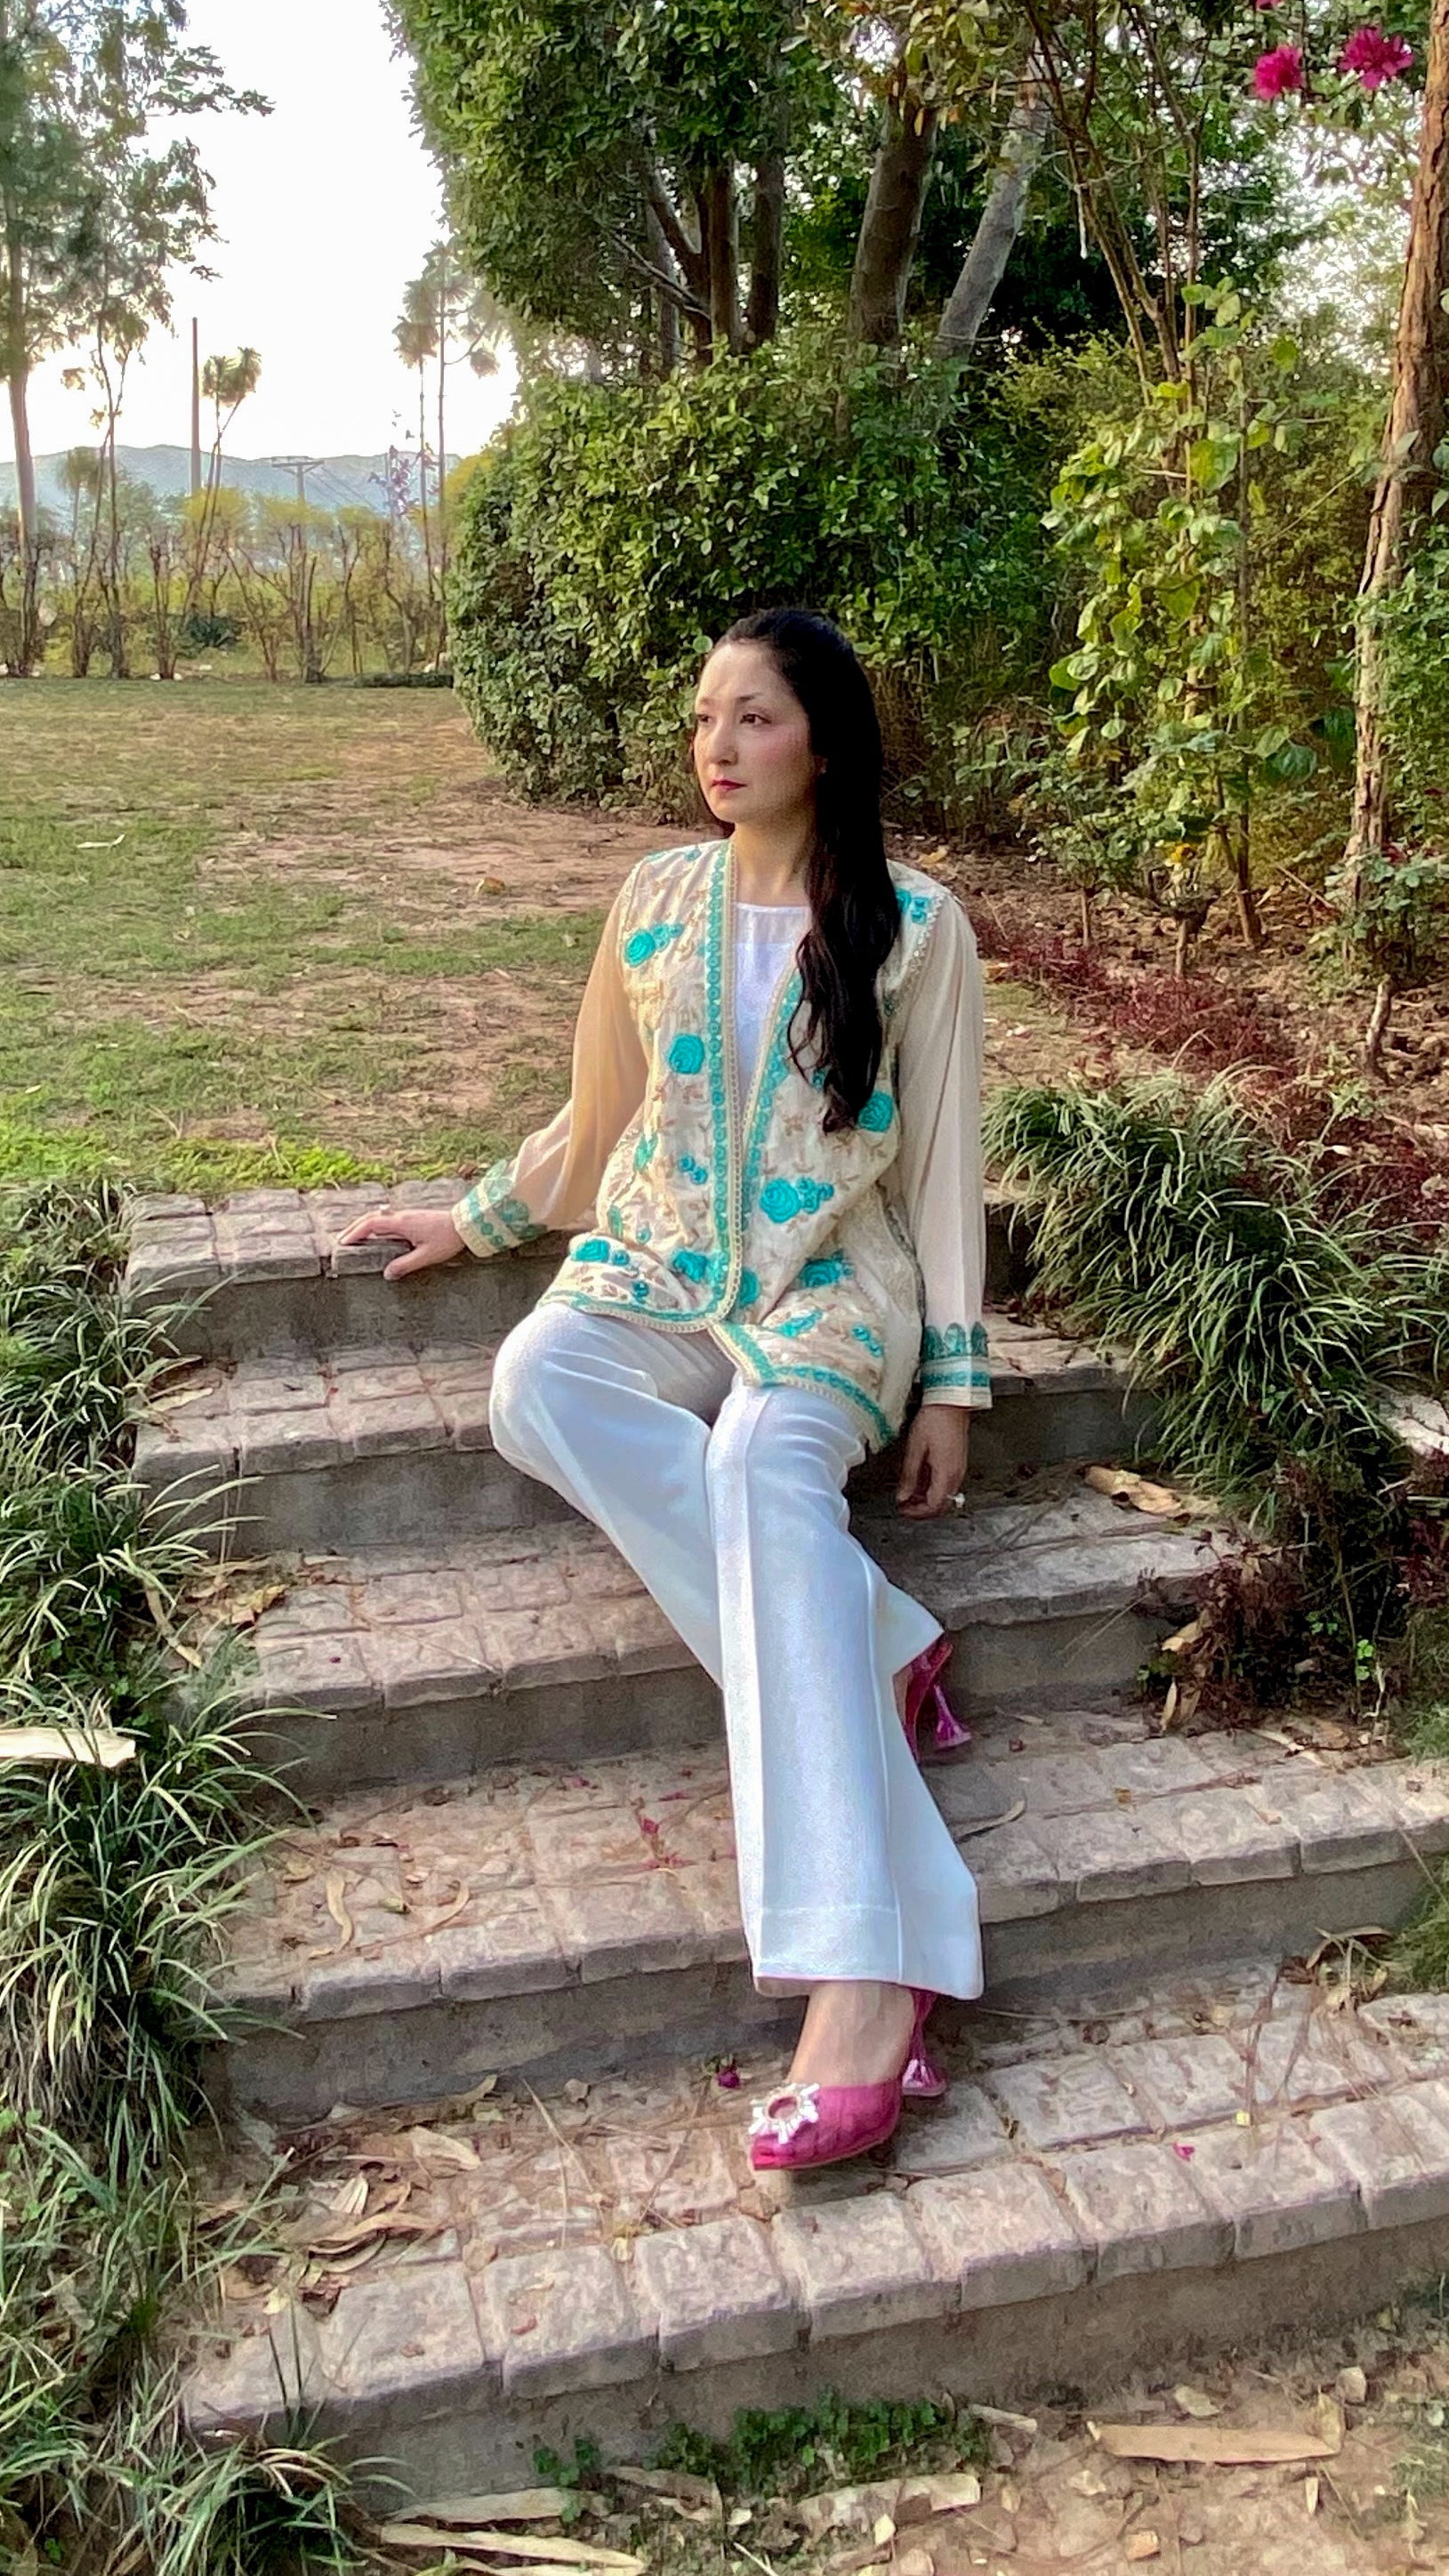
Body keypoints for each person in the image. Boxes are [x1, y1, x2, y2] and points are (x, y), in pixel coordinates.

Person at [336, 606, 993, 2171]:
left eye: (752, 719)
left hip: (835, 1292)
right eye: (705, 719)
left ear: (822, 740)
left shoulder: (914, 922)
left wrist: (952, 1383)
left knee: (768, 1463)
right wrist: (479, 1217)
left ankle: (867, 1977)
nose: (715, 746)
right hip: (653, 1269)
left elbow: (947, 1157)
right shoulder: (650, 900)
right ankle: (879, 1638)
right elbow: (596, 1120)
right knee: (537, 1379)